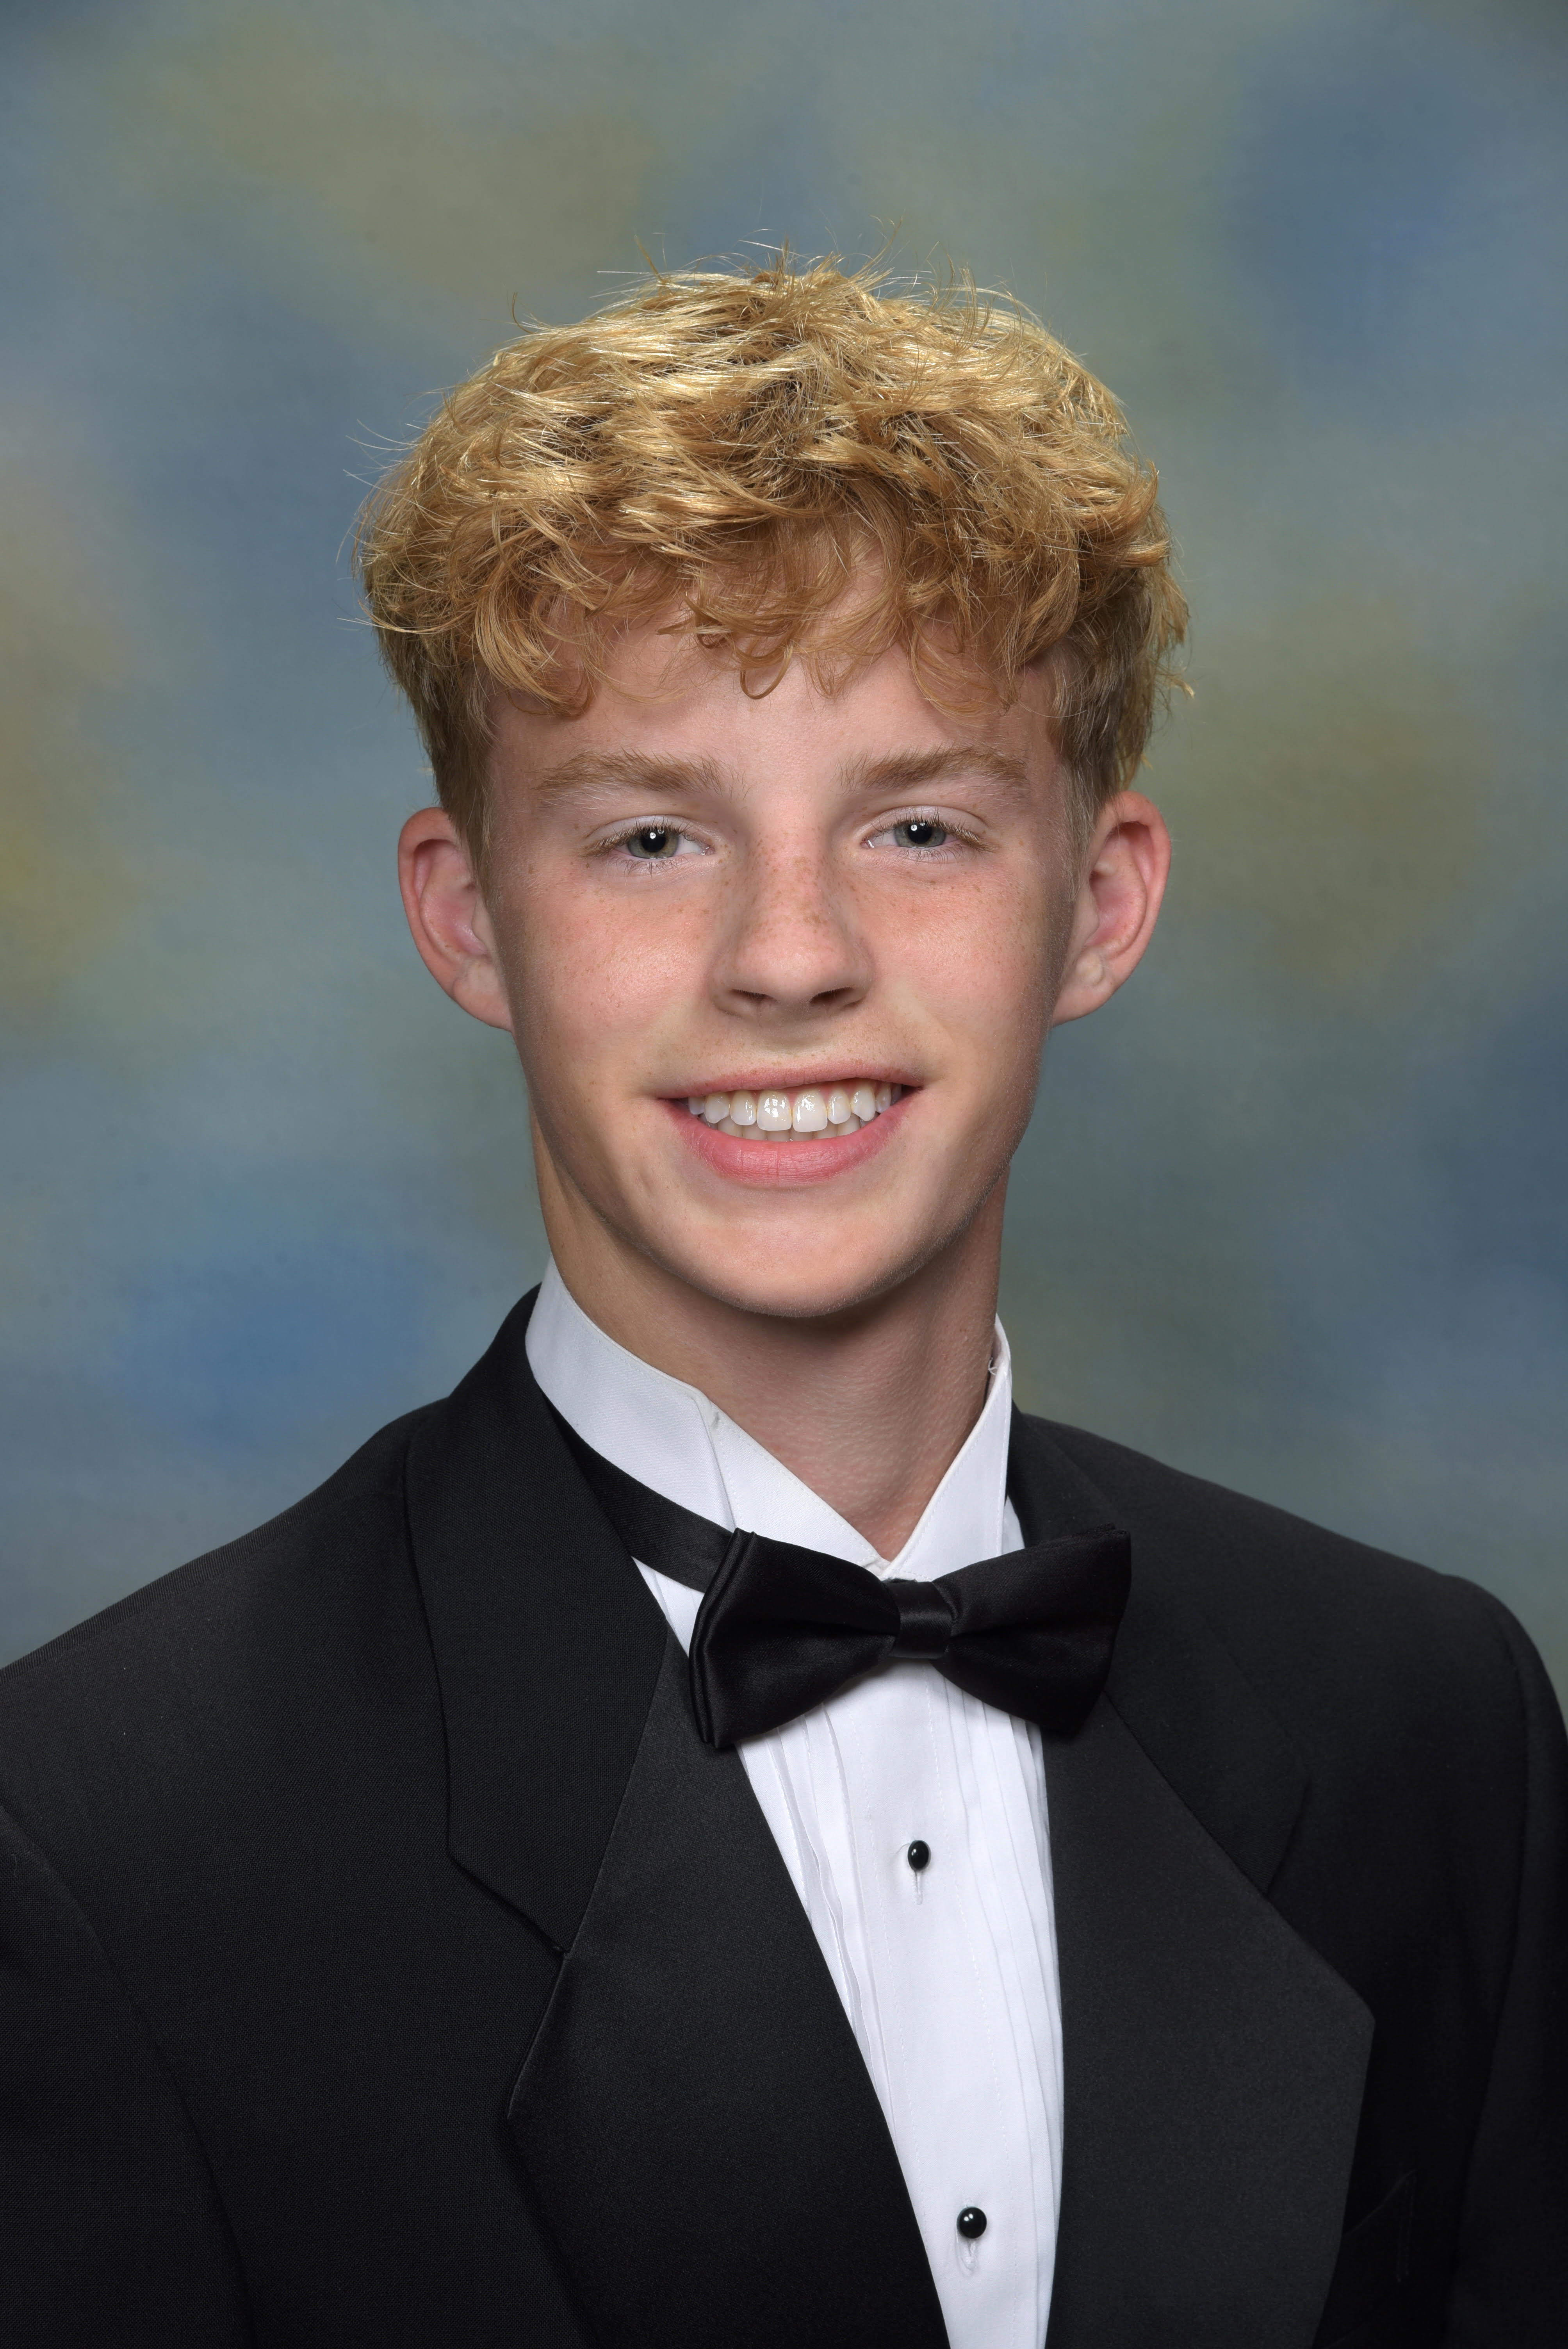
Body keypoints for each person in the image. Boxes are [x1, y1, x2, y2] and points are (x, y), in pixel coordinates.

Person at [0, 258, 1562, 2349]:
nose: (792, 955)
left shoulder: (1426, 1727)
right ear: (469, 922)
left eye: (919, 826)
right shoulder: (102, 1838)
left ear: (1099, 907)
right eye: (653, 838)